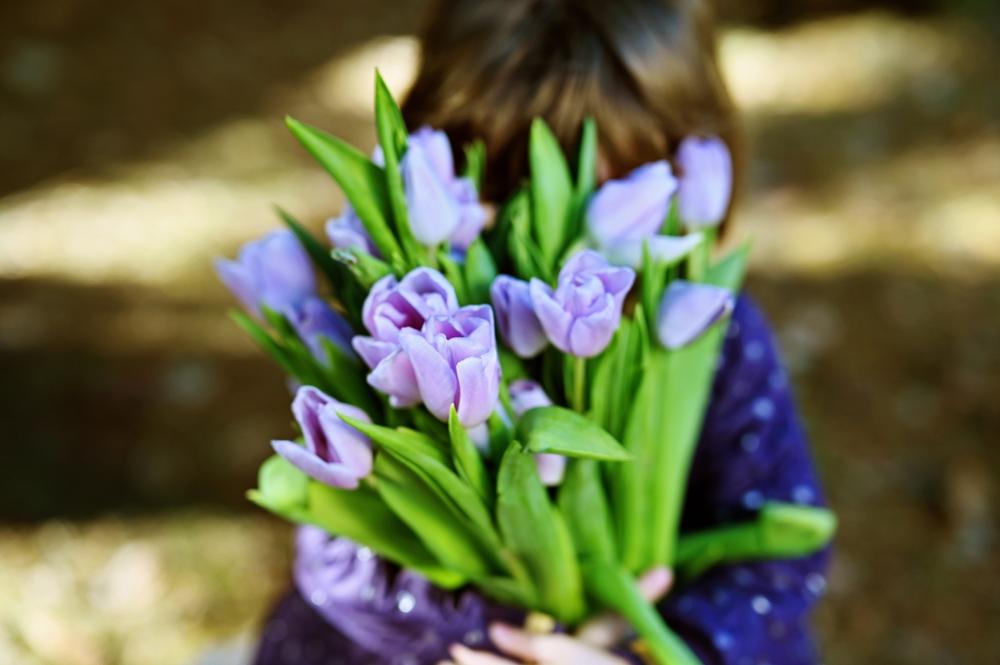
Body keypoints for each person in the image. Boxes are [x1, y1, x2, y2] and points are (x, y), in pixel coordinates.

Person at [254, 1, 831, 663]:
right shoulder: (399, 325)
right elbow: (338, 564)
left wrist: (651, 651)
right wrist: (504, 636)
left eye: (594, 196)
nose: (541, 247)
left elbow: (780, 564)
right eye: (500, 186)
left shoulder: (712, 333)